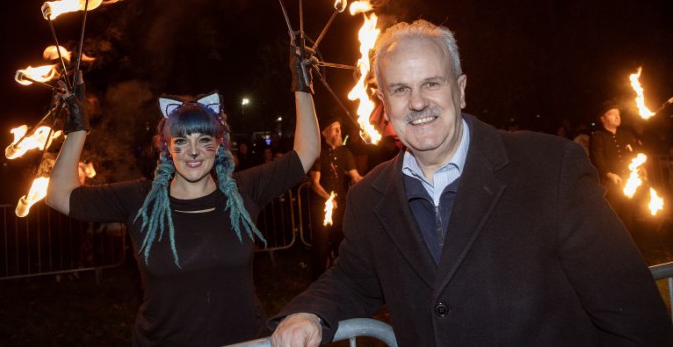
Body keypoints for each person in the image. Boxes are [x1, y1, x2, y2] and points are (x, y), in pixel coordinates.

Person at [269, 19, 672, 346]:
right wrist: (309, 313)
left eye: (431, 83)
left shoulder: (550, 168)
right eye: (400, 89)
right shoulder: (368, 198)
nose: (418, 102)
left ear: (460, 90)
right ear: (385, 104)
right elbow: (352, 278)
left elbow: (632, 315)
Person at [46, 46, 320, 347]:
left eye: (204, 140)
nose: (193, 152)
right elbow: (60, 195)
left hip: (244, 343)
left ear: (219, 145)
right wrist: (76, 129)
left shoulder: (243, 191)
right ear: (167, 147)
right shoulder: (140, 198)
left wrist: (302, 86)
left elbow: (305, 153)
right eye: (181, 140)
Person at [308, 117, 363, 281]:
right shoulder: (318, 153)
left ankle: (343, 277)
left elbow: (356, 177)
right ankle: (318, 279)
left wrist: (374, 178)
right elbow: (315, 184)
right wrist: (328, 199)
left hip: (341, 205)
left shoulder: (346, 152)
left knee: (342, 240)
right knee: (321, 242)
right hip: (321, 205)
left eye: (339, 129)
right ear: (326, 133)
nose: (339, 133)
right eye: (335, 129)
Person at [589, 100, 642, 233]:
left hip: (628, 180)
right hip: (610, 184)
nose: (617, 116)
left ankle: (629, 243)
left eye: (618, 114)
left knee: (628, 214)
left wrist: (640, 168)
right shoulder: (598, 136)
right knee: (613, 214)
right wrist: (609, 174)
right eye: (612, 114)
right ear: (603, 118)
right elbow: (597, 157)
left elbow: (634, 154)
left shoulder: (626, 134)